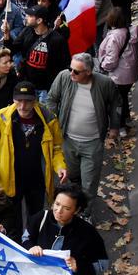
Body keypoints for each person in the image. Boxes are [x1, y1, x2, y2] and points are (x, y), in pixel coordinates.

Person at [0, 81, 67, 233]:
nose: (22, 106)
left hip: (37, 179)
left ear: (35, 100)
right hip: (9, 177)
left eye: (27, 101)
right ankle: (16, 243)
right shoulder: (1, 118)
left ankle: (32, 242)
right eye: (18, 101)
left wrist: (60, 166)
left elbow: (56, 147)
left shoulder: (49, 119)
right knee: (12, 215)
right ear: (13, 99)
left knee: (35, 215)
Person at [45, 53, 121, 214]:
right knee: (71, 179)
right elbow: (51, 98)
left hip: (92, 143)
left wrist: (114, 127)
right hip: (68, 141)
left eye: (76, 72)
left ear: (88, 72)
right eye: (70, 69)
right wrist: (54, 121)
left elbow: (115, 103)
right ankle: (71, 210)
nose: (71, 73)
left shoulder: (104, 83)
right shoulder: (64, 77)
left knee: (89, 184)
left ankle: (85, 215)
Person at [2, 5, 70, 102]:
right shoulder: (27, 31)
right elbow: (11, 50)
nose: (26, 17)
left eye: (30, 16)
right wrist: (6, 34)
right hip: (27, 85)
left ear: (39, 21)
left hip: (46, 89)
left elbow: (64, 65)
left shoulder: (57, 39)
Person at [97, 7, 138, 137]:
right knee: (124, 97)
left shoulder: (114, 37)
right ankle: (126, 120)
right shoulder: (130, 31)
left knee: (116, 102)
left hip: (118, 75)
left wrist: (103, 66)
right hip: (130, 73)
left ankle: (120, 127)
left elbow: (111, 58)